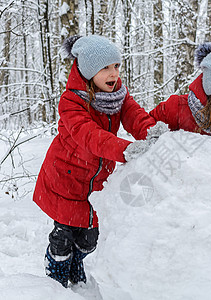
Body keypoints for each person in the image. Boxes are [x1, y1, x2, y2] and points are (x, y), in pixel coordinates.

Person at [33, 35, 157, 288]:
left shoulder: (117, 94)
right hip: (66, 178)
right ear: (90, 72)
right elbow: (90, 136)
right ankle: (55, 278)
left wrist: (154, 134)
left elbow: (134, 115)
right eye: (106, 68)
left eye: (116, 66)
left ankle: (76, 262)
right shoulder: (71, 101)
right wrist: (127, 150)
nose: (114, 73)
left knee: (90, 236)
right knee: (64, 235)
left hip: (97, 180)